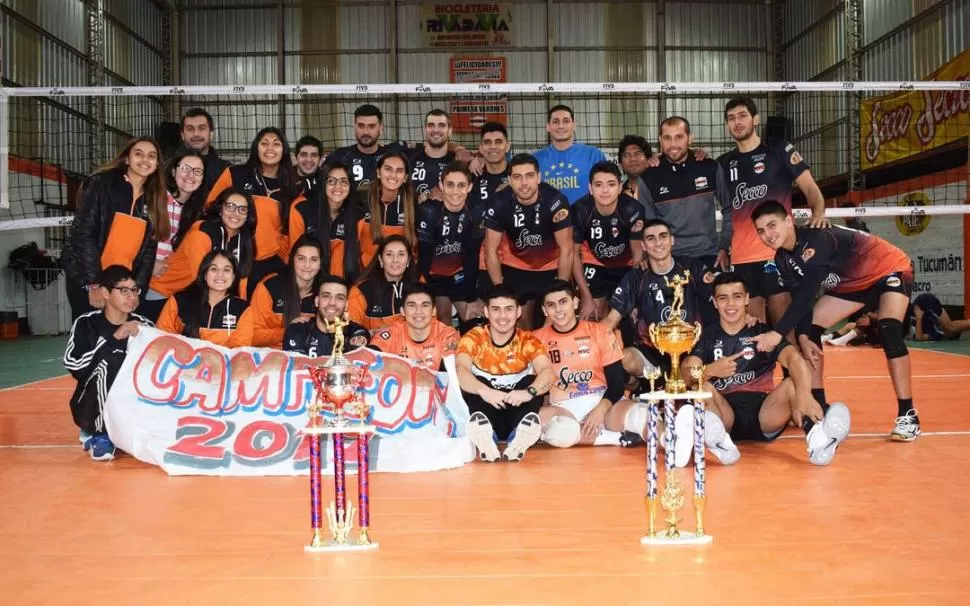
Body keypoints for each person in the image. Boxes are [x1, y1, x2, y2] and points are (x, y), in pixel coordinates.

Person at [750, 200, 920, 441]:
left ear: (789, 221)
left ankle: (908, 415)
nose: (768, 235)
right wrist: (803, 336)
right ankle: (820, 409)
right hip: (852, 285)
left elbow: (808, 293)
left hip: (889, 269)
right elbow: (801, 302)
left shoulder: (817, 239)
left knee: (889, 328)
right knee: (811, 331)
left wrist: (777, 333)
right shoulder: (782, 259)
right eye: (761, 231)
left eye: (772, 225)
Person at [681, 272, 851, 467]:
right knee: (703, 389)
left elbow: (795, 359)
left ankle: (818, 441)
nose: (730, 304)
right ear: (714, 302)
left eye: (736, 297)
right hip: (724, 416)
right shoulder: (706, 336)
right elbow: (686, 373)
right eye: (723, 298)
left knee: (791, 384)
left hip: (765, 414)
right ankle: (721, 444)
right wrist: (710, 370)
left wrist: (804, 397)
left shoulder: (762, 333)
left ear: (746, 299)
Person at [716, 97, 829, 321]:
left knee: (784, 330)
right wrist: (723, 247)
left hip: (777, 253)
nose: (737, 122)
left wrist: (818, 213)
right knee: (754, 333)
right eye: (731, 118)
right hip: (742, 258)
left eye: (742, 116)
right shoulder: (723, 163)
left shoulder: (779, 150)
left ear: (755, 119)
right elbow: (724, 210)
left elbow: (810, 188)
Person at [62, 137, 167, 320]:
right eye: (138, 154)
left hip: (122, 286)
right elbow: (82, 233)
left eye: (151, 156)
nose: (144, 160)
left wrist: (136, 290)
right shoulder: (101, 183)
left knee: (120, 341)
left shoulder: (153, 198)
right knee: (89, 338)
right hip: (90, 279)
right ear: (127, 158)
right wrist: (93, 283)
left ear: (157, 164)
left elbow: (148, 252)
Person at [533, 280, 647, 448]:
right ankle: (616, 438)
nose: (558, 310)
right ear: (544, 310)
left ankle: (672, 441)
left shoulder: (600, 332)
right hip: (563, 407)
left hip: (601, 400)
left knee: (641, 414)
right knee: (541, 424)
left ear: (575, 302)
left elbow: (616, 383)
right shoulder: (534, 340)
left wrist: (599, 412)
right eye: (551, 305)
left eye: (563, 302)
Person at [601, 219, 716, 381]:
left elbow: (721, 298)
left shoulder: (690, 267)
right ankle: (634, 386)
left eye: (663, 236)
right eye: (650, 238)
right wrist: (583, 341)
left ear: (672, 240)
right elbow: (611, 320)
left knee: (692, 371)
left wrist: (744, 316)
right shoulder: (636, 276)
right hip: (651, 351)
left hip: (691, 348)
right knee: (623, 360)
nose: (658, 243)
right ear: (643, 245)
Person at [63, 265, 153, 461]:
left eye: (134, 290)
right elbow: (75, 365)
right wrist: (113, 339)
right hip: (90, 404)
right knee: (109, 361)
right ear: (105, 292)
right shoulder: (86, 323)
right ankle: (99, 433)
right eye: (124, 290)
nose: (132, 296)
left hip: (130, 405)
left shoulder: (144, 326)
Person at [455, 284, 553, 462]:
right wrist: (484, 390)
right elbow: (460, 372)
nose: (502, 316)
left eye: (508, 309)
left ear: (518, 312)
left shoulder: (528, 341)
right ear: (486, 311)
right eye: (496, 309)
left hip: (516, 409)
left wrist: (528, 392)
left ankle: (519, 436)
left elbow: (547, 373)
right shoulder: (473, 338)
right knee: (475, 380)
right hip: (486, 408)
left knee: (532, 380)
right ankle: (486, 436)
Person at [206, 127, 303, 297]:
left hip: (272, 262)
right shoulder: (235, 174)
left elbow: (292, 227)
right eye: (264, 143)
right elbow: (211, 208)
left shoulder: (293, 185)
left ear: (285, 150)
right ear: (256, 148)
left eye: (276, 144)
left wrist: (285, 258)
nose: (270, 148)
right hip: (234, 257)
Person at [483, 153, 574, 329]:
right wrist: (501, 292)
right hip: (516, 267)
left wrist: (560, 291)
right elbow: (490, 251)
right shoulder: (499, 202)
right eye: (517, 177)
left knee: (552, 323)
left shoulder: (555, 201)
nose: (524, 183)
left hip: (551, 267)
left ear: (539, 177)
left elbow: (567, 250)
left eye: (529, 176)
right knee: (520, 323)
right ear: (509, 180)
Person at [638, 116, 732, 270]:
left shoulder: (709, 167)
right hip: (669, 259)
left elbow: (729, 208)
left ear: (690, 138)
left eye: (679, 137)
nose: (673, 144)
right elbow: (649, 224)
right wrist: (652, 256)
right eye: (667, 138)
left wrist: (724, 247)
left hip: (709, 255)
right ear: (660, 140)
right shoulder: (649, 177)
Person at [150, 188, 256, 300]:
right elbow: (202, 279)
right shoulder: (203, 232)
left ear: (247, 216)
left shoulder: (243, 239)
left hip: (194, 298)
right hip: (163, 294)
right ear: (220, 210)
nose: (236, 213)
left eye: (242, 210)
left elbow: (242, 279)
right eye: (230, 207)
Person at [571, 161, 644, 321]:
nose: (605, 190)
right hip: (595, 265)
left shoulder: (632, 209)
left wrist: (635, 295)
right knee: (591, 315)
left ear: (619, 188)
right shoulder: (580, 210)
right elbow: (573, 254)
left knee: (633, 318)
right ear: (590, 188)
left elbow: (638, 256)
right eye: (598, 185)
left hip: (626, 268)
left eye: (611, 184)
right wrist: (586, 296)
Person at [139, 150, 206, 321]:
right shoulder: (154, 199)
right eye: (185, 168)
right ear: (174, 171)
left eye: (197, 171)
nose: (191, 175)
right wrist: (148, 264)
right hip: (145, 285)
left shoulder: (197, 212)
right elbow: (132, 239)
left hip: (173, 289)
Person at [416, 162, 485, 329]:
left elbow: (472, 254)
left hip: (459, 275)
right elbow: (424, 257)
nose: (455, 191)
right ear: (441, 186)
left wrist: (470, 296)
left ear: (469, 187)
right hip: (433, 276)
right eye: (450, 185)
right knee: (443, 318)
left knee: (473, 317)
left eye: (461, 185)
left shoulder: (475, 210)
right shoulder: (429, 211)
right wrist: (428, 289)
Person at [157, 250, 254, 348]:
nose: (220, 274)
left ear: (233, 277)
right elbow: (162, 337)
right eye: (214, 269)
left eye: (226, 270)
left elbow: (240, 351)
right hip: (180, 360)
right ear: (205, 275)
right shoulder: (179, 300)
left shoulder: (242, 309)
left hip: (222, 362)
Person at [289, 162, 366, 282]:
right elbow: (296, 255)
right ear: (323, 183)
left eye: (343, 181)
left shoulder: (358, 214)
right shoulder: (302, 207)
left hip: (345, 284)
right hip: (309, 281)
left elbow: (360, 258)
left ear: (350, 186)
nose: (337, 187)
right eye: (331, 181)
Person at [248, 235, 323, 348]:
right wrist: (286, 332)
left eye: (313, 259)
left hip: (312, 357)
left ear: (321, 264)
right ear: (292, 260)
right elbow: (252, 335)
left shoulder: (326, 291)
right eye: (301, 258)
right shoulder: (270, 285)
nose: (307, 265)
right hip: (273, 356)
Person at [369, 283, 460, 371]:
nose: (418, 311)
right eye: (412, 305)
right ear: (403, 311)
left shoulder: (447, 335)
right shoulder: (390, 334)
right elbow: (366, 359)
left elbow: (451, 373)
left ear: (434, 311)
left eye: (425, 305)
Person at [533, 104, 607, 204]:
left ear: (574, 125)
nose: (561, 126)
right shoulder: (535, 159)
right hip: (547, 219)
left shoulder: (593, 155)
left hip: (585, 218)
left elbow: (607, 189)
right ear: (548, 127)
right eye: (555, 121)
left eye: (566, 121)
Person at [283, 275, 370, 357]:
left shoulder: (356, 331)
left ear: (346, 305)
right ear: (317, 301)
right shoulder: (298, 330)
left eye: (339, 298)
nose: (332, 303)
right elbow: (295, 367)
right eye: (326, 296)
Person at [348, 235, 418, 331]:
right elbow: (351, 330)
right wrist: (377, 334)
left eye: (401, 254)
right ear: (381, 259)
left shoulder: (418, 288)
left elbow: (429, 326)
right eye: (389, 254)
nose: (395, 260)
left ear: (409, 260)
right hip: (373, 345)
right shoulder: (361, 290)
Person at [360, 151, 418, 266]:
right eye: (388, 169)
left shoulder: (411, 200)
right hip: (365, 271)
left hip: (398, 269)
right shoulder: (361, 197)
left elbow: (414, 245)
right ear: (378, 172)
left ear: (405, 177)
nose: (393, 175)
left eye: (399, 171)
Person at [325, 104, 387, 189]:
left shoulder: (392, 155)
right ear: (354, 126)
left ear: (381, 128)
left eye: (371, 126)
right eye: (361, 126)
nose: (366, 132)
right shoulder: (338, 156)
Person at [179, 107, 229, 203]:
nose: (196, 134)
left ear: (211, 134)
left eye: (202, 128)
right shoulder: (167, 169)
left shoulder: (226, 170)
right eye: (190, 129)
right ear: (182, 135)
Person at [294, 135, 324, 200]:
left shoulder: (327, 180)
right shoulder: (284, 179)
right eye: (304, 154)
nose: (309, 159)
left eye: (314, 155)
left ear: (320, 159)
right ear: (296, 157)